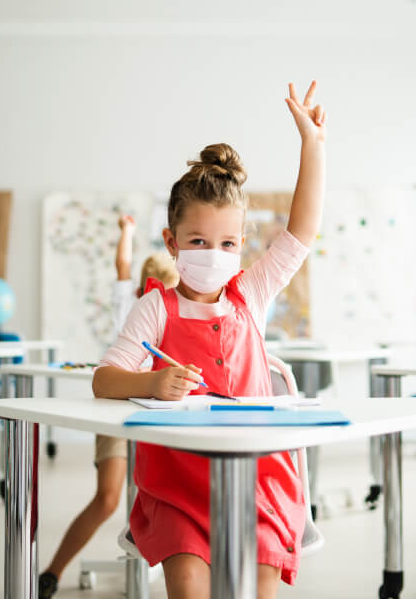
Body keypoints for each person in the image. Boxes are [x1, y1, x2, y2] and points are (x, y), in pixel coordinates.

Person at [93, 81, 326, 599]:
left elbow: (303, 231)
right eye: (197, 241)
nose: (212, 253)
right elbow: (104, 381)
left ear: (241, 245)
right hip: (177, 486)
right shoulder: (155, 306)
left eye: (225, 243)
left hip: (259, 478)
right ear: (172, 242)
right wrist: (153, 382)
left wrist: (312, 145)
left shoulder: (253, 294)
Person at [39, 214, 178, 598]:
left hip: (159, 417)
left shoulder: (181, 310)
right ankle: (52, 571)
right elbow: (122, 266)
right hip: (118, 411)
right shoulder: (133, 304)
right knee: (108, 498)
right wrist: (126, 233)